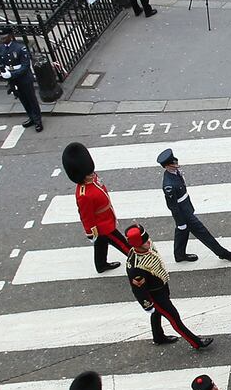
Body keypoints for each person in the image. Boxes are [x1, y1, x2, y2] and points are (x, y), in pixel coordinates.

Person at [125, 224, 213, 349]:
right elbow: (139, 290)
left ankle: (158, 337)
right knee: (174, 319)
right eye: (144, 242)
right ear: (137, 245)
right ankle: (196, 342)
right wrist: (148, 305)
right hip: (155, 296)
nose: (149, 242)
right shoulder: (136, 267)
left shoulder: (145, 248)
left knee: (157, 314)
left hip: (161, 287)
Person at [160, 149, 231, 262]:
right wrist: (180, 222)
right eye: (173, 165)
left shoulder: (174, 173)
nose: (176, 166)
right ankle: (223, 253)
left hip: (186, 208)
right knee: (202, 232)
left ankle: (179, 255)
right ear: (167, 166)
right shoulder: (169, 185)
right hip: (183, 213)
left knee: (182, 231)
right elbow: (173, 206)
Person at [64, 142, 130, 273]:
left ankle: (101, 265)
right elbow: (86, 216)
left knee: (101, 244)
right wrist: (91, 232)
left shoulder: (91, 176)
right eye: (88, 174)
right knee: (123, 244)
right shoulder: (83, 194)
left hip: (107, 217)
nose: (92, 175)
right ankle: (138, 260)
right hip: (102, 226)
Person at [0, 28, 43, 130]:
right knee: (22, 99)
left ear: (11, 36)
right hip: (13, 79)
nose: (3, 39)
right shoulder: (0, 49)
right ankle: (31, 117)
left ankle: (38, 120)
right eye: (1, 38)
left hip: (24, 78)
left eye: (5, 37)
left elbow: (25, 66)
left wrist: (12, 75)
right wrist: (4, 72)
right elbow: (0, 62)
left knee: (31, 99)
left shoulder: (20, 48)